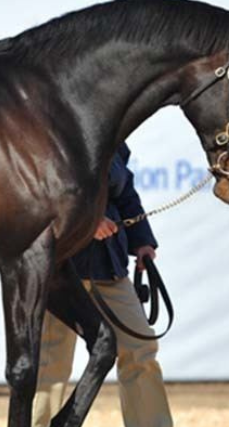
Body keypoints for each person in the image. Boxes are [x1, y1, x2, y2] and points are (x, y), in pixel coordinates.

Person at [32, 143, 172, 427]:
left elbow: (126, 193)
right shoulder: (46, 123)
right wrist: (85, 221)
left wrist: (142, 241)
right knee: (51, 361)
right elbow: (39, 189)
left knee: (140, 348)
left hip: (110, 264)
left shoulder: (114, 135)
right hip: (60, 269)